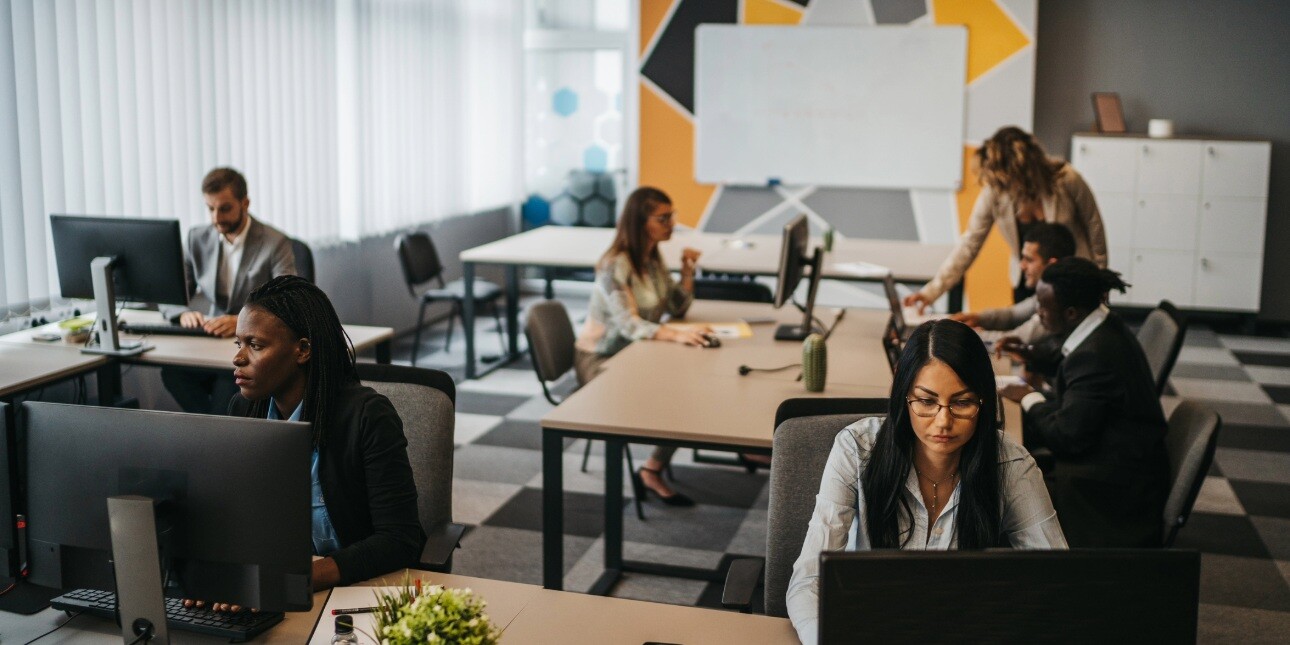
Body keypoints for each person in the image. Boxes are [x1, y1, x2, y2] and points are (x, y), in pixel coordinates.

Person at [786, 319, 1066, 644]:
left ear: (984, 402)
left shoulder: (1010, 464)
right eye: (926, 402)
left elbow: (1058, 579)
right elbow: (809, 579)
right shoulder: (857, 449)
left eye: (962, 402)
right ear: (904, 397)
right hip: (866, 628)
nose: (943, 421)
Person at [228, 276, 425, 591]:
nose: (238, 358)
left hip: (356, 587)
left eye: (256, 345)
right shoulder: (243, 410)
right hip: (276, 585)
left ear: (302, 350)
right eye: (238, 343)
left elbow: (399, 540)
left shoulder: (367, 417)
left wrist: (300, 579)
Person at [999, 258, 1168, 548]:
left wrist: (1027, 396)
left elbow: (1066, 436)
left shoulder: (1096, 355)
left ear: (1071, 313)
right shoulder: (1104, 326)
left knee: (1006, 490)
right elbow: (1068, 360)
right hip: (1120, 460)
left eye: (1042, 307)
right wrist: (1030, 354)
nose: (1038, 314)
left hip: (1110, 492)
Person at [574, 186, 711, 506]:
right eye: (663, 218)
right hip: (601, 357)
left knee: (690, 385)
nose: (671, 224)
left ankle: (652, 468)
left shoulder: (651, 257)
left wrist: (688, 271)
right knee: (676, 394)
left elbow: (678, 307)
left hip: (638, 350)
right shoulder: (613, 265)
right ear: (640, 222)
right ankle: (652, 469)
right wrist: (675, 335)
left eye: (671, 216)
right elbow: (629, 324)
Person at [904, 126, 1108, 313]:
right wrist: (931, 292)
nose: (1000, 187)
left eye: (1006, 180)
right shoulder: (995, 190)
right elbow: (969, 243)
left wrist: (1100, 283)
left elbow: (1095, 229)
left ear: (1022, 171)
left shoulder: (1067, 179)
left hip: (1074, 279)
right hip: (1027, 282)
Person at [162, 167, 297, 413]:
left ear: (245, 203)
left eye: (224, 208)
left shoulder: (274, 242)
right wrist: (181, 312)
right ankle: (215, 433)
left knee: (228, 386)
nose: (215, 218)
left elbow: (290, 298)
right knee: (173, 374)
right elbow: (171, 292)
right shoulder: (196, 238)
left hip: (250, 344)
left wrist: (240, 321)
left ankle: (218, 436)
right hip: (211, 342)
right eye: (210, 209)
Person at [951, 221, 1077, 344]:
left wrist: (966, 333)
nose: (1022, 266)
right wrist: (978, 318)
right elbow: (1013, 315)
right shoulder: (1049, 290)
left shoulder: (1060, 299)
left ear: (1051, 264)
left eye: (1029, 260)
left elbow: (1019, 338)